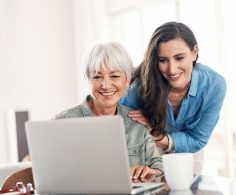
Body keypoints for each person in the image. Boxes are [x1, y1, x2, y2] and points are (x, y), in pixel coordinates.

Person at [54, 42, 163, 182]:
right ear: (87, 79)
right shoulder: (63, 122)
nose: (105, 85)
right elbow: (54, 177)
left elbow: (159, 168)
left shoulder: (137, 123)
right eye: (97, 77)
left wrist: (149, 172)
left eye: (114, 76)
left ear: (128, 80)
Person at [120, 22, 226, 154]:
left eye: (179, 58)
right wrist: (138, 127)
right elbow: (119, 131)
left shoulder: (214, 85)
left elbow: (198, 139)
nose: (172, 69)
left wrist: (158, 135)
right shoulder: (139, 86)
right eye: (163, 60)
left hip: (188, 154)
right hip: (148, 151)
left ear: (194, 52)